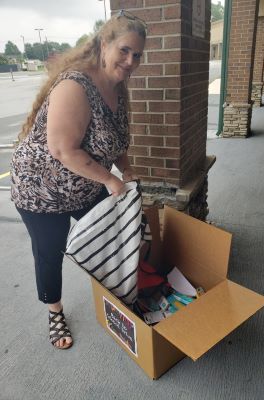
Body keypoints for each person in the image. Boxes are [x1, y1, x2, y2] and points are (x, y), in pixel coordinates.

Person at [10, 10, 147, 350]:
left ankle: (118, 293)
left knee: (112, 235)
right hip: (41, 188)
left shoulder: (118, 87)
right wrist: (111, 181)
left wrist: (125, 169)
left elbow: (113, 139)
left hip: (84, 182)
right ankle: (55, 312)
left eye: (138, 55)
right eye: (125, 51)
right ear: (104, 44)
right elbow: (62, 149)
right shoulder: (76, 85)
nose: (130, 61)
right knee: (50, 251)